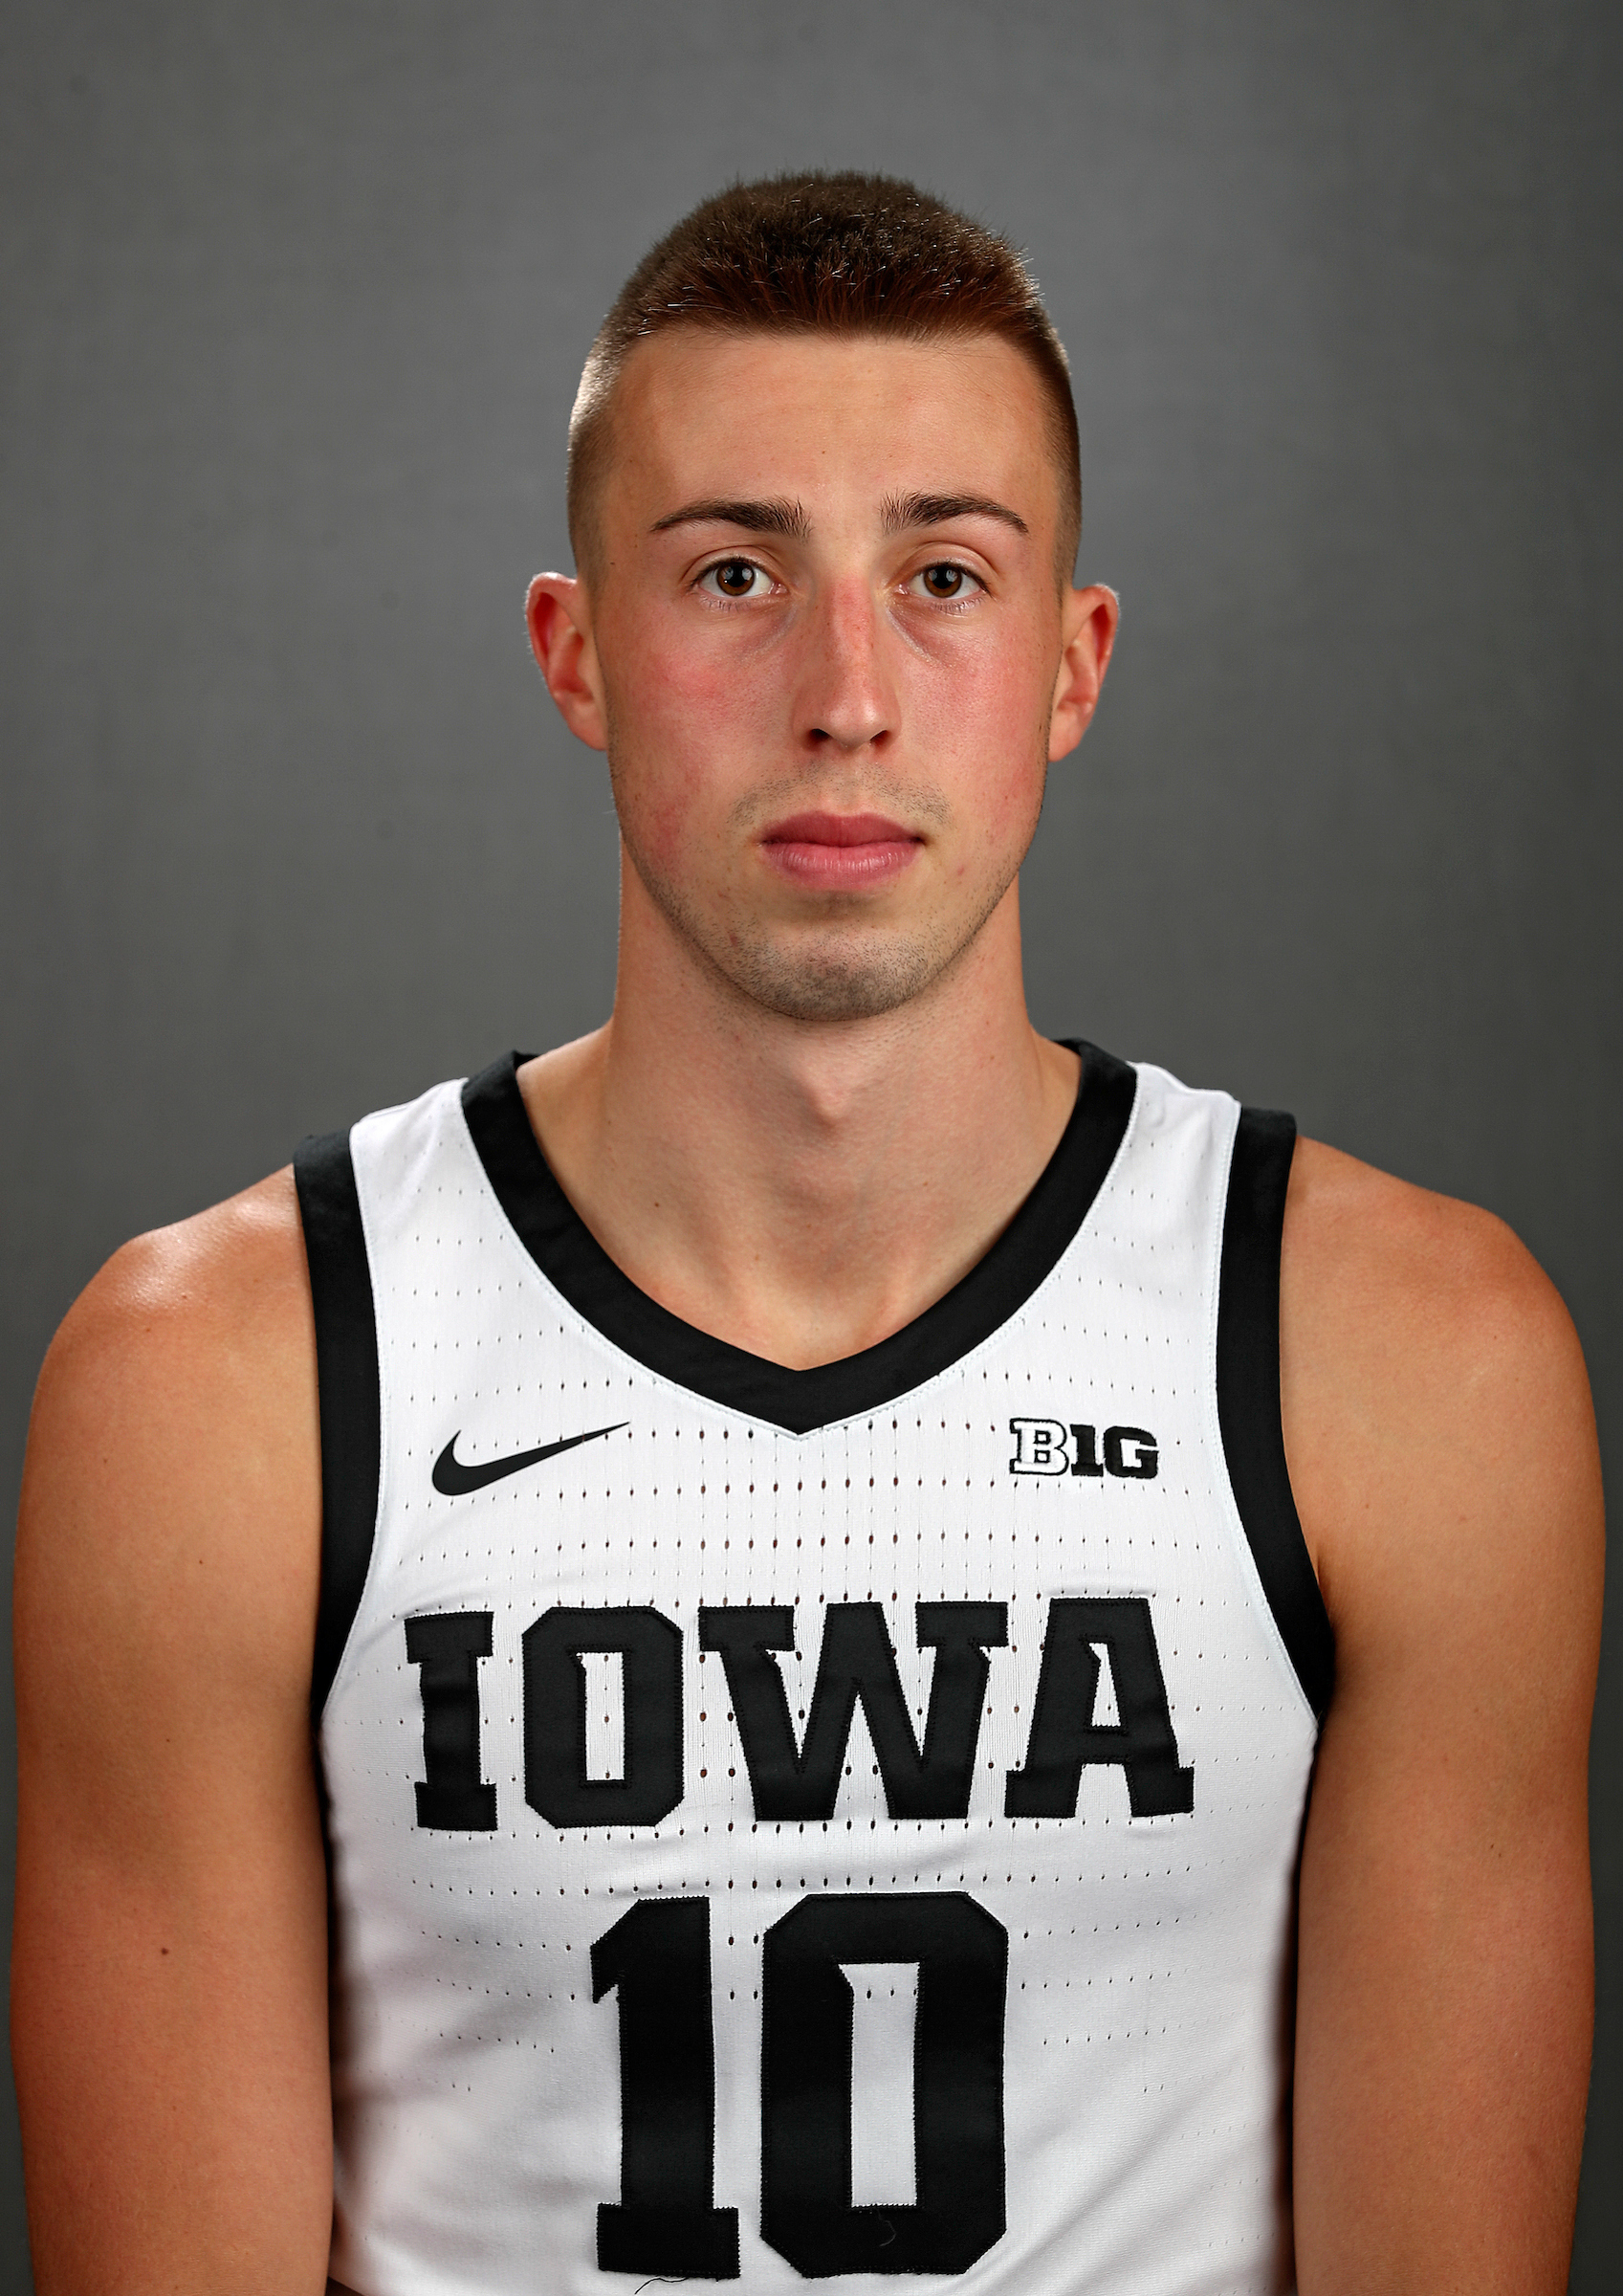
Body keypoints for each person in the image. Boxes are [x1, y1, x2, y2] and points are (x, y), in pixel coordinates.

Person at [11, 172, 1602, 2296]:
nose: (846, 692)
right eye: (735, 573)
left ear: (1069, 665)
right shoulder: (226, 1385)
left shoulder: (1401, 1359)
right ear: (577, 654)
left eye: (943, 575)